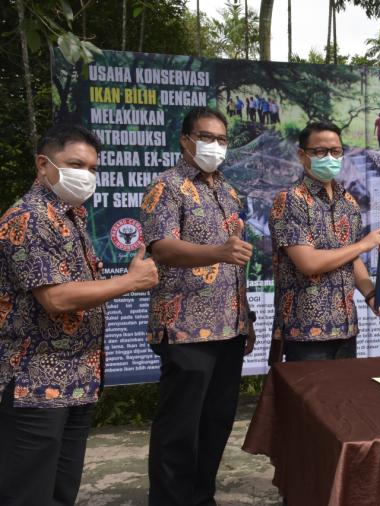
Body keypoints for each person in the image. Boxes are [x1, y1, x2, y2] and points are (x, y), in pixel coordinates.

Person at [0, 124, 158, 505]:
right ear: (43, 164)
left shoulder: (72, 216)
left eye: (92, 168)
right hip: (33, 386)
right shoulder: (27, 219)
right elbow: (55, 298)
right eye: (75, 164)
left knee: (60, 492)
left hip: (76, 378)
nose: (85, 175)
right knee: (27, 494)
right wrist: (130, 282)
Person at [140, 107, 256, 505]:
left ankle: (202, 496)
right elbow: (163, 248)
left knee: (217, 422)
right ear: (185, 140)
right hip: (185, 327)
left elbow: (236, 260)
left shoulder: (228, 190)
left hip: (230, 326)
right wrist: (217, 251)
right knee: (180, 428)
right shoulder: (166, 187)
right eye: (207, 138)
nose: (215, 146)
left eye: (222, 140)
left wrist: (248, 318)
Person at [267, 121, 380, 363]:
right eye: (320, 152)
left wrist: (371, 296)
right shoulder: (290, 201)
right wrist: (362, 245)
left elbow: (351, 258)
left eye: (336, 151)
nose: (330, 157)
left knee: (342, 400)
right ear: (302, 155)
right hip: (305, 332)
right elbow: (308, 263)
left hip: (345, 328)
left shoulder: (348, 202)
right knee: (308, 401)